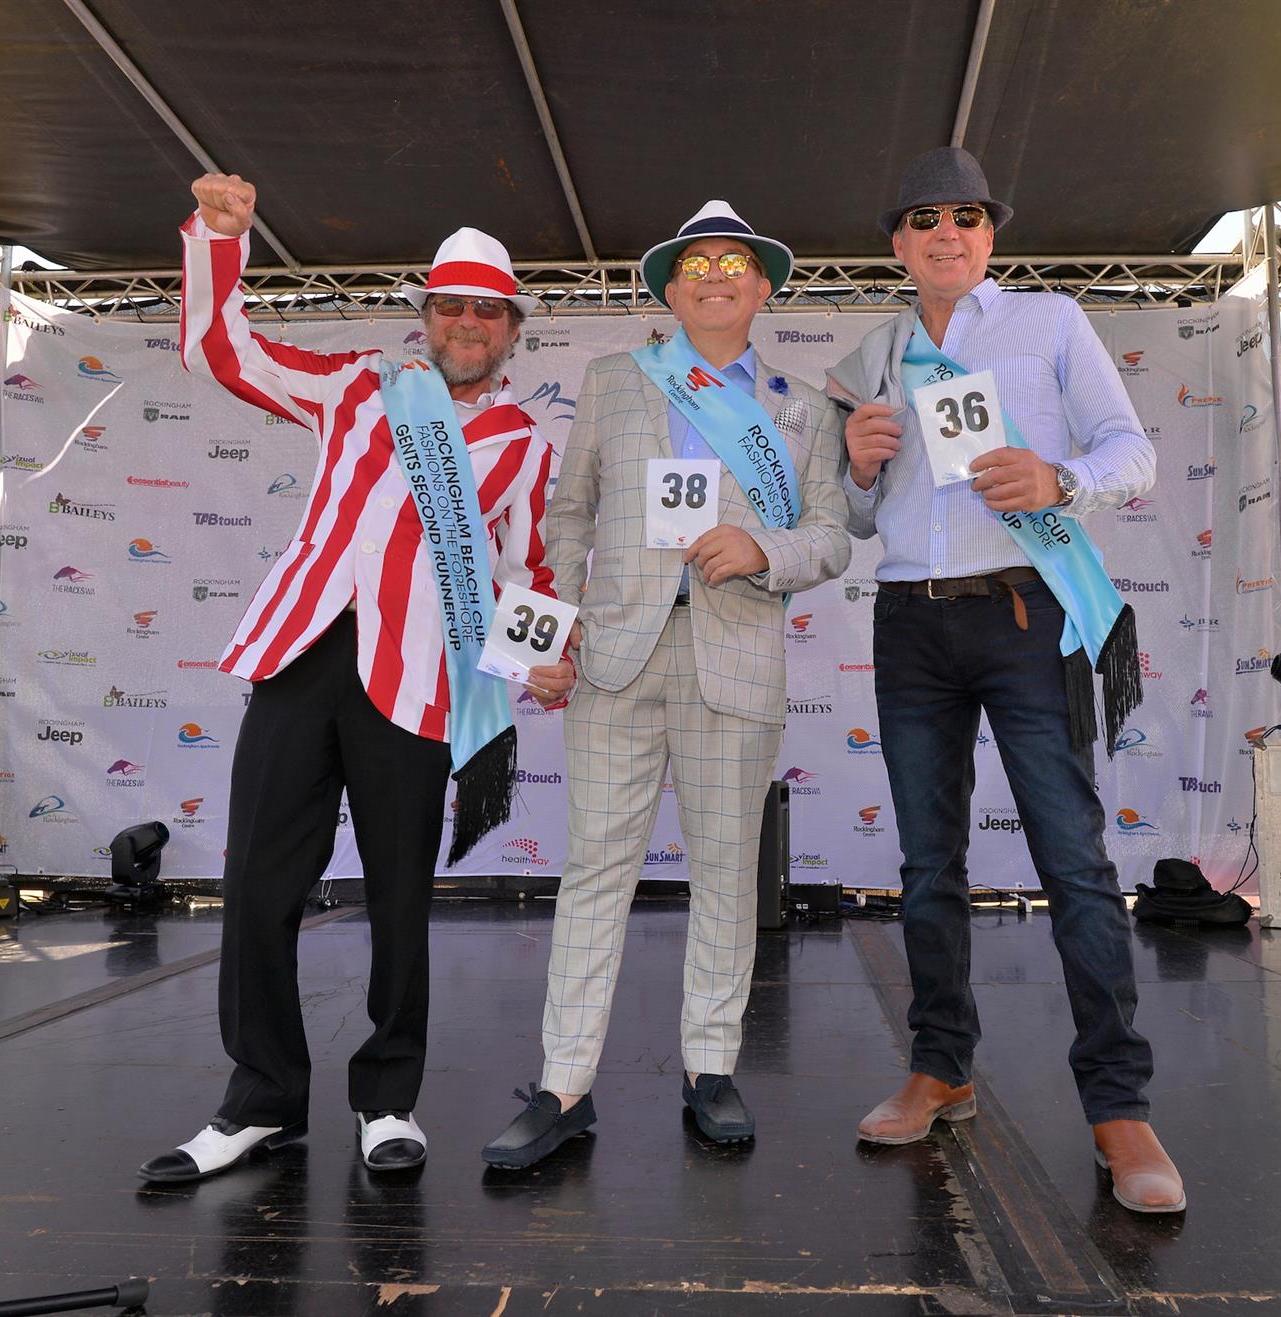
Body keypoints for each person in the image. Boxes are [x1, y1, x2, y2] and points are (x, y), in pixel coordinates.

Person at [140, 173, 567, 1182]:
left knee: (400, 899)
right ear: (427, 317)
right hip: (301, 654)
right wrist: (220, 239)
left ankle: (387, 1098)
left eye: (487, 311)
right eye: (451, 306)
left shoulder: (525, 446)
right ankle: (261, 1100)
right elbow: (222, 351)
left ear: (512, 331)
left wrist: (540, 657)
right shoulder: (356, 387)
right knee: (258, 885)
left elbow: (531, 573)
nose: (468, 324)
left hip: (416, 681)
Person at [826, 147, 1183, 1214]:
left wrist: (1059, 476)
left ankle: (1119, 1106)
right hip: (909, 622)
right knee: (926, 863)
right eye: (926, 217)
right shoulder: (874, 353)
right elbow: (856, 519)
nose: (949, 232)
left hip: (1029, 613)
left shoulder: (1051, 322)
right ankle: (942, 1068)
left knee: (1073, 860)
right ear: (897, 243)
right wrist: (856, 464)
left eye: (968, 216)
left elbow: (1131, 451)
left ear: (991, 234)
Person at [482, 201, 851, 1168]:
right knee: (594, 872)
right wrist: (553, 635)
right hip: (615, 657)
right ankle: (563, 1085)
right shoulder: (614, 381)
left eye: (734, 265)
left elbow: (830, 534)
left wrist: (763, 548)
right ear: (670, 290)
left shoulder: (804, 407)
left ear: (763, 287)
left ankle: (710, 1068)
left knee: (727, 873)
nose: (715, 278)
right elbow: (566, 519)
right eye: (697, 265)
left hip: (736, 658)